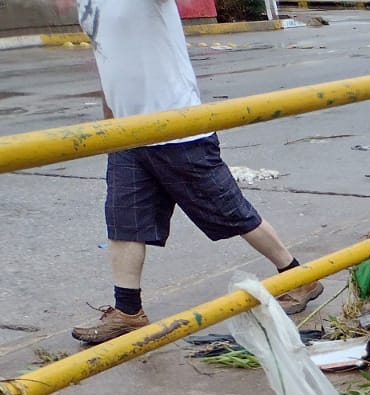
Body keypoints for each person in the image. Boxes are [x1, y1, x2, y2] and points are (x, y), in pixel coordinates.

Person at [70, 0, 323, 345]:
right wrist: (109, 123)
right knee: (124, 222)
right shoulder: (87, 3)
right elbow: (108, 61)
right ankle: (128, 312)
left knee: (231, 212)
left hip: (178, 129)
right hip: (128, 132)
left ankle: (298, 277)